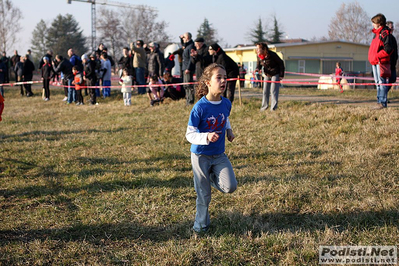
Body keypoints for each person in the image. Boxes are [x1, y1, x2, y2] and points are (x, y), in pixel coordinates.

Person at [186, 63, 237, 233]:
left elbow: (224, 117)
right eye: (218, 77)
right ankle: (200, 227)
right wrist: (206, 137)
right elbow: (189, 135)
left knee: (230, 187)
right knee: (204, 195)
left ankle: (211, 179)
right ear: (208, 82)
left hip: (219, 154)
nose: (223, 81)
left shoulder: (226, 103)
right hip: (200, 156)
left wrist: (228, 129)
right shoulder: (199, 108)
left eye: (225, 77)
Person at [368, 13, 394, 109]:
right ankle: (379, 101)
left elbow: (388, 49)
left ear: (379, 23)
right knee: (377, 83)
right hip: (374, 62)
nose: (372, 25)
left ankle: (382, 102)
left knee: (381, 82)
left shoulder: (384, 33)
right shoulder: (376, 34)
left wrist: (378, 56)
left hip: (380, 62)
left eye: (373, 23)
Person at [255, 42, 285, 111]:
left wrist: (281, 75)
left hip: (275, 73)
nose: (257, 51)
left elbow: (281, 63)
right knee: (265, 91)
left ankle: (273, 108)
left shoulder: (272, 55)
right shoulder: (259, 56)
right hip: (267, 73)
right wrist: (257, 69)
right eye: (256, 49)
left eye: (258, 49)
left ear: (264, 49)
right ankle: (264, 107)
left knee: (273, 91)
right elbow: (258, 64)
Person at [181, 32, 196, 105]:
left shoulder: (191, 46)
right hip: (185, 68)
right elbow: (183, 45)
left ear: (187, 38)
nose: (182, 39)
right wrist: (181, 39)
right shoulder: (187, 45)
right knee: (185, 86)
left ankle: (190, 101)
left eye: (183, 37)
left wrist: (188, 68)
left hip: (188, 69)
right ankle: (187, 100)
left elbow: (191, 58)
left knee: (189, 85)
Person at [386, 21, 398, 100]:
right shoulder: (387, 38)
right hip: (386, 64)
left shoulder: (393, 38)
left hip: (393, 64)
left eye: (392, 27)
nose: (392, 28)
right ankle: (383, 97)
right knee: (384, 81)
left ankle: (384, 94)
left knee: (393, 79)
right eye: (390, 26)